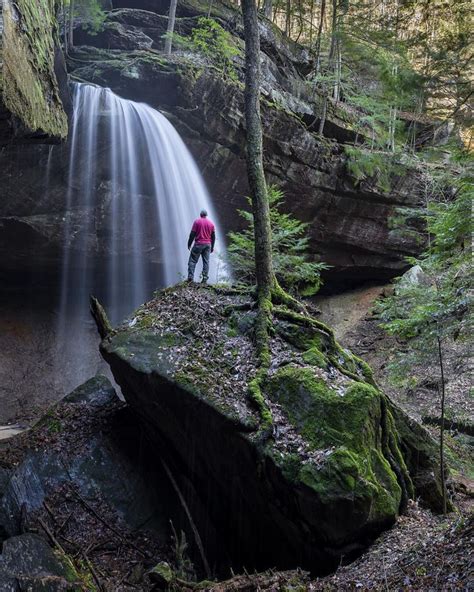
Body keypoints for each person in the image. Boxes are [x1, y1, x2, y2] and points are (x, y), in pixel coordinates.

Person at [187, 209, 216, 284]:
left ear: (200, 214)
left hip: (198, 244)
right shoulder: (211, 223)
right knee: (206, 262)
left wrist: (189, 244)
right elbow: (213, 237)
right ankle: (204, 279)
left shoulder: (197, 222)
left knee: (192, 261)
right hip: (208, 245)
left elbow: (192, 234)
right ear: (206, 215)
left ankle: (190, 278)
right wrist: (212, 247)